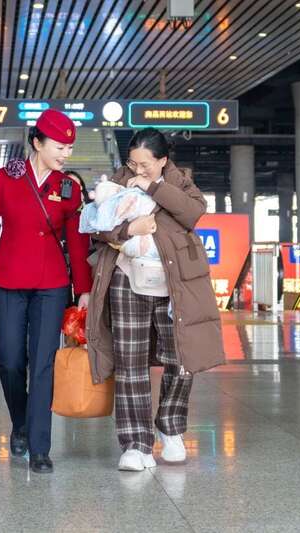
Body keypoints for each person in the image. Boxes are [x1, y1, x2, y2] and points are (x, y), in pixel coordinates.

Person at [0, 109, 93, 474]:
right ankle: (21, 423)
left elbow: (78, 242)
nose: (66, 154)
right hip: (7, 280)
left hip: (51, 284)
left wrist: (84, 288)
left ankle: (40, 447)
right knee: (11, 360)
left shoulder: (69, 188)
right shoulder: (6, 178)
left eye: (70, 148)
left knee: (43, 363)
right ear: (37, 142)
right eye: (60, 146)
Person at [85, 128, 224, 472]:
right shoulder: (118, 181)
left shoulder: (180, 182)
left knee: (182, 358)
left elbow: (192, 212)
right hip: (126, 279)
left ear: (163, 160)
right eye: (133, 163)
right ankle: (136, 444)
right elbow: (96, 225)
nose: (137, 169)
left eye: (145, 164)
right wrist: (128, 231)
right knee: (130, 363)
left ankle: (170, 426)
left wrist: (152, 187)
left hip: (175, 285)